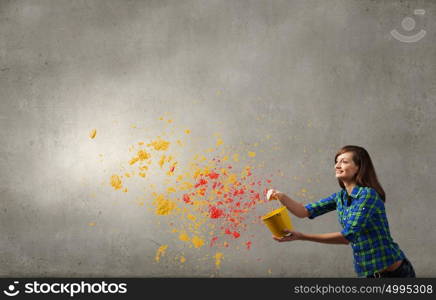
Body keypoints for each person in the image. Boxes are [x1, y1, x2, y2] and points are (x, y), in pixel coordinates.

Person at [267, 145, 415, 278]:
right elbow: (304, 211)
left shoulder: (367, 195)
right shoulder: (341, 196)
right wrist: (280, 195)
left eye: (344, 161)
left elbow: (347, 236)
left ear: (359, 167)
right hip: (367, 274)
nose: (337, 166)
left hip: (394, 274)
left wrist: (302, 236)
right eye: (336, 162)